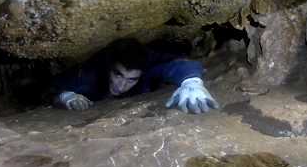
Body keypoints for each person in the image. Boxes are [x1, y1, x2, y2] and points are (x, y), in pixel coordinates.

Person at [48, 38, 219, 114]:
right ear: (110, 68)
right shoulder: (88, 76)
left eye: (131, 79)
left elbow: (175, 64)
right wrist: (65, 95)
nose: (121, 86)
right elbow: (50, 88)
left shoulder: (147, 68)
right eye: (118, 75)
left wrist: (191, 81)